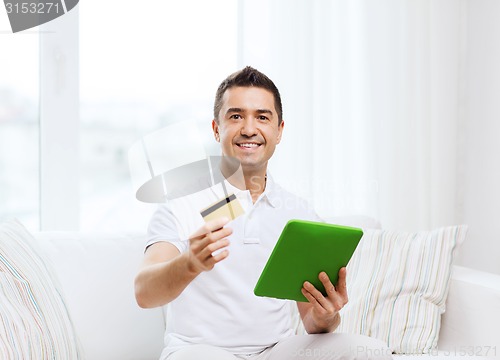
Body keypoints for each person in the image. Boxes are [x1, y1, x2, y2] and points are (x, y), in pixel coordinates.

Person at [135, 66, 392, 360]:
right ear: (216, 129)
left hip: (275, 352)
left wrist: (326, 316)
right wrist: (189, 263)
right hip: (199, 352)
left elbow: (312, 321)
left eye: (262, 117)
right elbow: (144, 292)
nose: (248, 128)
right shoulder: (180, 204)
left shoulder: (298, 212)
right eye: (236, 116)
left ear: (279, 131)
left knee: (372, 352)